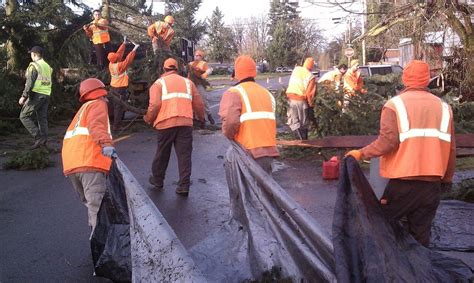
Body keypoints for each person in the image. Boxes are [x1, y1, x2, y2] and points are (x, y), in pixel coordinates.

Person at [346, 60, 455, 247]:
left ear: (405, 79)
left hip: (402, 184)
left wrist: (360, 154)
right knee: (420, 238)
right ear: (427, 79)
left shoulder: (394, 105)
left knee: (381, 229)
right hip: (431, 185)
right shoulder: (444, 108)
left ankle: (386, 272)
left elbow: (387, 142)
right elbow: (451, 148)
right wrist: (447, 179)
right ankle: (419, 273)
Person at [144, 58, 205, 196]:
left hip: (165, 124)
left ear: (164, 69)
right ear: (177, 69)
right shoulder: (188, 83)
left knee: (162, 154)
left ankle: (158, 180)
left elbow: (154, 105)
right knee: (184, 156)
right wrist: (202, 119)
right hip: (185, 124)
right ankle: (184, 186)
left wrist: (148, 119)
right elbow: (198, 103)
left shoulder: (158, 84)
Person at [62, 78, 117, 230]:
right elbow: (96, 125)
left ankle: (97, 235)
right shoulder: (98, 104)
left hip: (72, 164)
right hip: (89, 162)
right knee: (97, 206)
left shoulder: (83, 108)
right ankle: (100, 247)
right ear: (101, 92)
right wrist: (106, 144)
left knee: (91, 203)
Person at [218, 55, 279, 174]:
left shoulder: (234, 93)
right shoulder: (267, 93)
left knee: (246, 190)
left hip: (247, 153)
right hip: (269, 152)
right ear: (254, 72)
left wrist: (230, 137)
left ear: (237, 73)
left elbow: (230, 123)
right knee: (263, 190)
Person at [19, 46, 53, 149]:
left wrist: (23, 96)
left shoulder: (34, 66)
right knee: (42, 119)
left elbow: (29, 83)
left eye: (31, 54)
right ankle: (43, 142)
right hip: (46, 95)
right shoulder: (47, 66)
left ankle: (38, 138)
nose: (31, 56)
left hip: (37, 95)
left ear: (34, 54)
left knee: (23, 116)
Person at [107, 36, 139, 131]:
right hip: (120, 88)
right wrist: (134, 49)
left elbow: (118, 54)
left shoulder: (111, 63)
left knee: (115, 106)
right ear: (116, 59)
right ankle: (116, 126)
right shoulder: (120, 66)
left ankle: (114, 124)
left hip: (114, 87)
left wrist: (124, 43)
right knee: (118, 107)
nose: (118, 56)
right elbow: (128, 60)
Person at [285, 57, 317, 140]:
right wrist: (310, 106)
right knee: (303, 123)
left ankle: (298, 141)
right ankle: (303, 143)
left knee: (293, 121)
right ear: (312, 66)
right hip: (300, 100)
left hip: (290, 99)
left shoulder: (296, 69)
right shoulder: (311, 77)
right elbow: (309, 94)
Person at [188, 49, 215, 125]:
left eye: (199, 55)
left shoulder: (203, 63)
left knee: (203, 100)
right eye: (196, 55)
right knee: (192, 101)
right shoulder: (190, 64)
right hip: (192, 84)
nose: (197, 57)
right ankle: (196, 118)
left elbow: (209, 70)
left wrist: (204, 75)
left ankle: (209, 115)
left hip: (200, 83)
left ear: (201, 56)